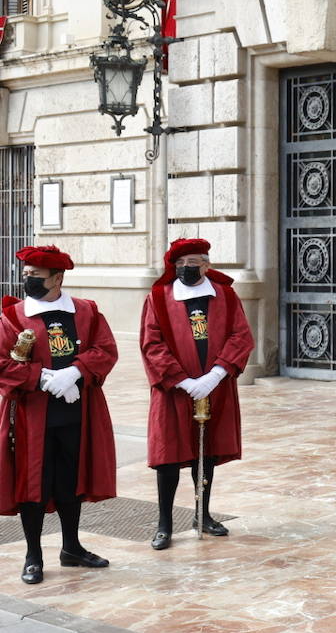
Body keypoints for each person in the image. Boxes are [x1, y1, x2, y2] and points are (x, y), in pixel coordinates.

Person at [0, 246, 119, 585]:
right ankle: (33, 555)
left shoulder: (85, 311)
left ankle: (71, 548)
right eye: (26, 275)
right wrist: (43, 377)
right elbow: (2, 363)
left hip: (77, 411)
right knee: (33, 483)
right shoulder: (13, 317)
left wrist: (77, 372)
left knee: (70, 480)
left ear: (57, 278)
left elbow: (105, 349)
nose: (28, 280)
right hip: (32, 417)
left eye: (35, 276)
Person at [141, 239, 255, 550]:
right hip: (174, 392)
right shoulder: (159, 298)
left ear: (206, 264)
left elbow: (240, 335)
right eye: (179, 264)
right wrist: (182, 380)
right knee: (168, 456)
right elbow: (152, 344)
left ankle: (202, 515)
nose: (185, 269)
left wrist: (216, 374)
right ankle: (164, 523)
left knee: (206, 453)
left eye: (192, 263)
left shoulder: (225, 296)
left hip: (214, 388)